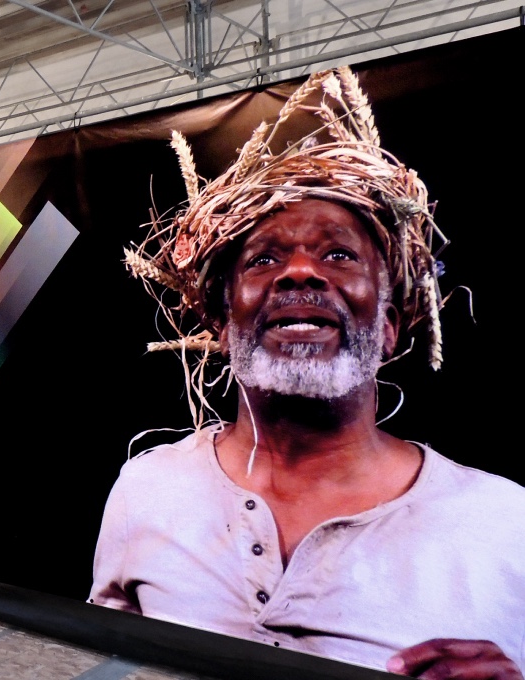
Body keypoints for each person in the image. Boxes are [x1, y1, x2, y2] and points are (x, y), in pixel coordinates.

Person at [90, 67, 525, 678]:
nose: (299, 272)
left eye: (338, 254)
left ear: (392, 326)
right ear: (221, 321)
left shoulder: (506, 524)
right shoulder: (146, 489)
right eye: (264, 257)